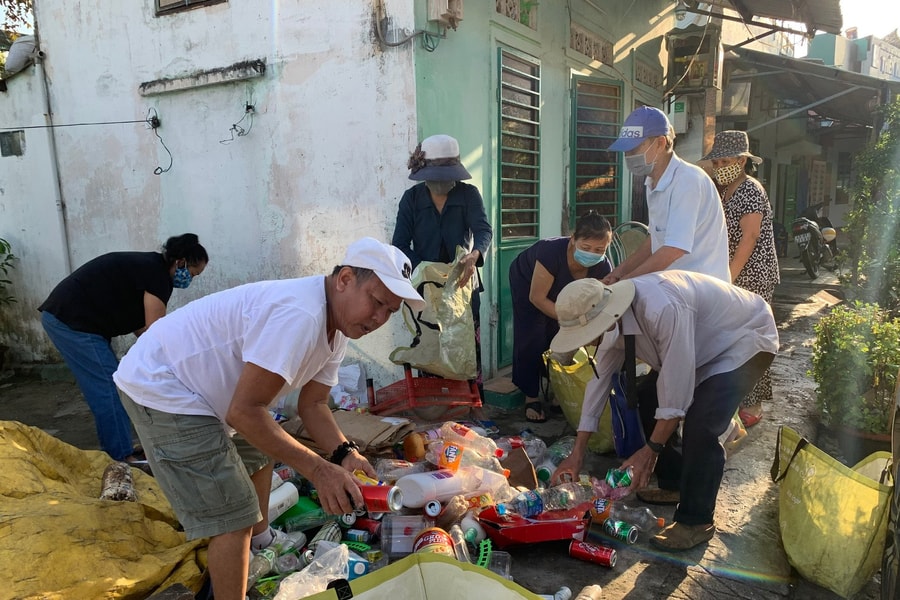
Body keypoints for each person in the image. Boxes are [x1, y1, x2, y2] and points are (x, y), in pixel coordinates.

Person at [112, 237, 425, 600]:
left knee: (262, 448)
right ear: (344, 279)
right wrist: (319, 470)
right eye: (376, 301)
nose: (379, 319)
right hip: (163, 384)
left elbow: (315, 406)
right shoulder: (302, 315)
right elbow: (244, 412)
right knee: (234, 516)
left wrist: (344, 454)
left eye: (390, 311)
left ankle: (258, 541)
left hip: (211, 391)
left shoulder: (338, 326)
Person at [549, 273, 778, 551]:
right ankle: (674, 482)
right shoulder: (612, 322)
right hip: (700, 345)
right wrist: (577, 453)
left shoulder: (662, 308)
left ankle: (696, 521)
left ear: (606, 317)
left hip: (746, 337)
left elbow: (676, 394)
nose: (587, 342)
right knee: (646, 397)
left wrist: (649, 451)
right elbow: (598, 385)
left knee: (701, 425)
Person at [38, 233, 209, 464]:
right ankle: (120, 457)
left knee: (115, 383)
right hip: (71, 320)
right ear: (180, 262)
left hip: (79, 319)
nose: (189, 279)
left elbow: (142, 329)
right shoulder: (157, 276)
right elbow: (156, 333)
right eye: (192, 273)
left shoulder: (149, 267)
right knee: (109, 387)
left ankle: (121, 447)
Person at [392, 133, 493, 422]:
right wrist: (424, 267)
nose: (442, 184)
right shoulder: (411, 200)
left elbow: (483, 230)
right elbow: (399, 243)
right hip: (424, 286)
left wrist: (475, 255)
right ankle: (437, 406)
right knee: (430, 342)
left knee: (466, 345)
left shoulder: (468, 195)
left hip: (462, 283)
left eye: (447, 177)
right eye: (436, 177)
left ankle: (475, 405)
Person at [701, 130, 780, 428]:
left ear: (741, 160)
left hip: (753, 275)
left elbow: (750, 237)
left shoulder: (750, 190)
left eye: (725, 161)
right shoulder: (723, 192)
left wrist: (728, 279)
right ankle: (736, 396)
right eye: (717, 162)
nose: (720, 167)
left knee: (753, 339)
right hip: (732, 274)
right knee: (733, 340)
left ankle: (754, 404)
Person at [602, 106, 730, 284]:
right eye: (626, 151)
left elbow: (674, 249)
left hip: (702, 291)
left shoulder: (687, 181)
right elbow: (655, 240)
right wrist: (617, 273)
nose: (628, 156)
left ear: (661, 143)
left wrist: (627, 281)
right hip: (677, 287)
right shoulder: (653, 182)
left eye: (634, 149)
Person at [509, 212, 612, 422]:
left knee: (564, 340)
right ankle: (531, 396)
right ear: (573, 239)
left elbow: (599, 307)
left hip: (565, 295)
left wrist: (586, 330)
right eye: (586, 247)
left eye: (599, 250)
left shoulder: (603, 267)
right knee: (533, 336)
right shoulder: (550, 252)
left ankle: (558, 392)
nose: (592, 253)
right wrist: (571, 322)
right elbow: (537, 298)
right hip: (528, 284)